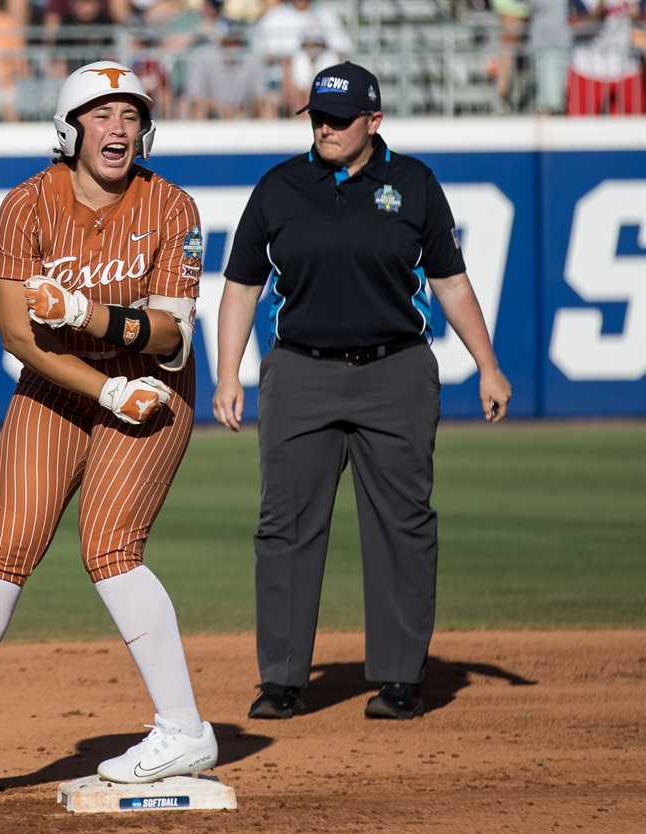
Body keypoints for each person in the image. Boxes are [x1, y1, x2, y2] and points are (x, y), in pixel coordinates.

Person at [0, 61, 219, 785]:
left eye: (131, 116)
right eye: (102, 115)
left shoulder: (173, 206)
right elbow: (19, 337)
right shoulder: (25, 206)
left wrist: (87, 315)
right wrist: (100, 389)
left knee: (109, 544)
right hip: (62, 379)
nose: (118, 129)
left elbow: (170, 336)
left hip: (152, 383)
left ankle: (183, 727)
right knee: (6, 543)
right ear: (69, 130)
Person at [213, 62, 512, 721]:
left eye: (339, 119)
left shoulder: (413, 185)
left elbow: (451, 282)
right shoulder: (280, 187)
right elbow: (240, 285)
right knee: (285, 525)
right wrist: (227, 371)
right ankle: (284, 678)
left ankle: (401, 677)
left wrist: (487, 365)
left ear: (374, 122)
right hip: (300, 371)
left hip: (395, 370)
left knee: (402, 523)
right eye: (317, 115)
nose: (325, 127)